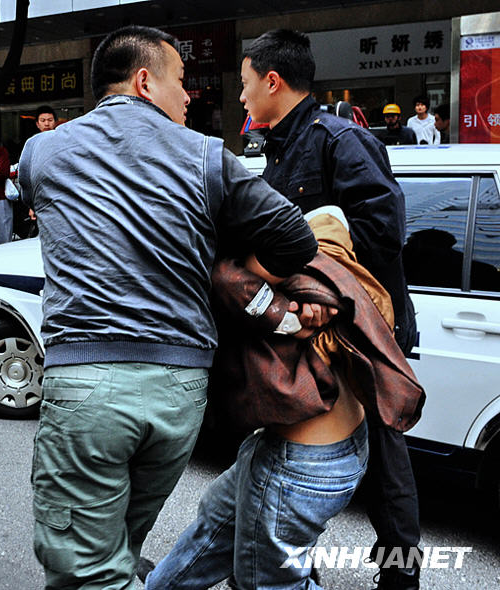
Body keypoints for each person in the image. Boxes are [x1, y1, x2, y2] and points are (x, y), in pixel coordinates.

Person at [19, 25, 329, 590]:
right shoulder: (209, 157)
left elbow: (39, 199)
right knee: (116, 551)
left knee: (89, 568)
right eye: (180, 82)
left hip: (89, 387)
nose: (189, 97)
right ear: (144, 81)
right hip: (180, 393)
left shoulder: (42, 150)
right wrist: (233, 272)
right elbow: (295, 239)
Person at [142, 204, 425, 590]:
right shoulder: (311, 249)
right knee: (216, 526)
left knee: (266, 583)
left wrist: (290, 306)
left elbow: (237, 276)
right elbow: (332, 217)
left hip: (304, 463)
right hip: (312, 448)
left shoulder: (241, 266)